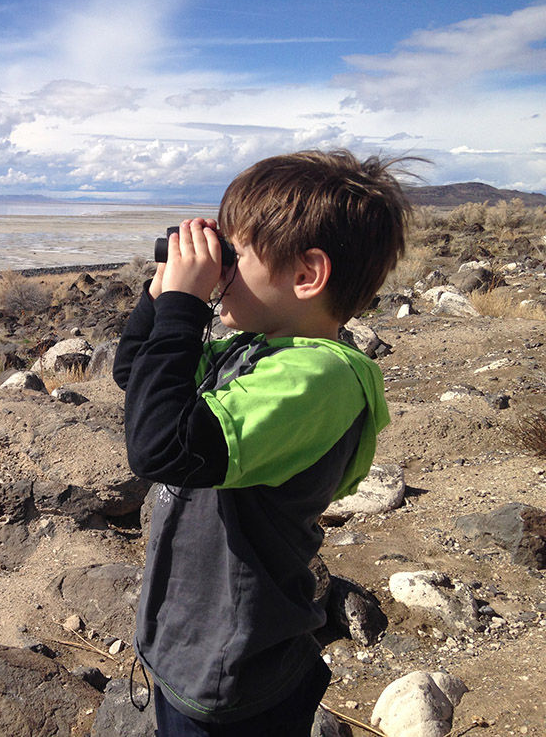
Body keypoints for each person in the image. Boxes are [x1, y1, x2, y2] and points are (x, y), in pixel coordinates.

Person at [113, 149, 413, 736]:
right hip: (192, 642)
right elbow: (137, 376)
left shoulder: (317, 380)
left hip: (235, 670)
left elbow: (157, 446)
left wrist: (185, 303)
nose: (219, 266)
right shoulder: (255, 349)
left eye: (235, 254)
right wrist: (161, 295)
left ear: (306, 276)